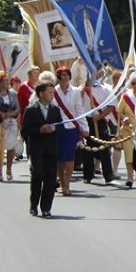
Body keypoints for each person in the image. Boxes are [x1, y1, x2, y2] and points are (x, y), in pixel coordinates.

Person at [24, 82, 62, 218]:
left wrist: (55, 129)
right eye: (50, 92)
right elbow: (25, 130)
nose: (52, 95)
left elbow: (60, 127)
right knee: (38, 175)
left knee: (50, 178)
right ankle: (34, 204)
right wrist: (39, 130)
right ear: (41, 94)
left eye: (53, 92)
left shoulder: (55, 110)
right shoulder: (31, 110)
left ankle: (46, 207)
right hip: (37, 149)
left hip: (51, 149)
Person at [51, 66, 87, 196]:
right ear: (58, 77)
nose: (65, 77)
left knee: (69, 157)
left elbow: (79, 110)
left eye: (67, 75)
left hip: (71, 128)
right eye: (62, 75)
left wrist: (85, 127)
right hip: (58, 128)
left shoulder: (76, 91)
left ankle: (67, 183)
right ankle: (61, 182)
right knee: (59, 158)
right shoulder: (53, 91)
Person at [81, 74, 117, 185]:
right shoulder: (81, 89)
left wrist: (99, 117)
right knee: (87, 149)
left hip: (100, 121)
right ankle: (87, 175)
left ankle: (108, 174)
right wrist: (84, 89)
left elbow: (111, 106)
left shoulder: (105, 89)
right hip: (87, 120)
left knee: (104, 148)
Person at [115, 73, 136, 188]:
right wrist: (123, 118)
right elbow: (119, 111)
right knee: (129, 154)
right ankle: (130, 177)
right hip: (127, 130)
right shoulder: (125, 96)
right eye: (133, 83)